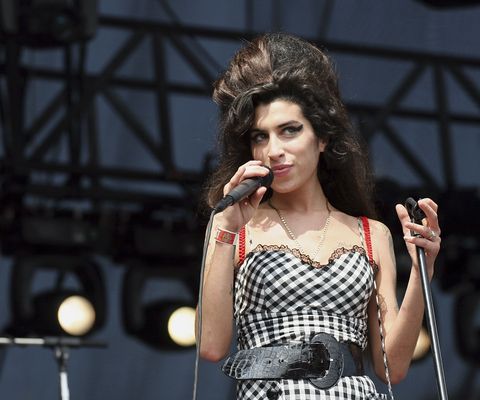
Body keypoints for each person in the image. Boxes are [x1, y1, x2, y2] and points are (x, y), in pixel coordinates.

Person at [197, 33, 441, 400]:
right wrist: (226, 231)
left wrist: (423, 272)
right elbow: (211, 345)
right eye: (260, 137)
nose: (273, 151)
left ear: (322, 137)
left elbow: (394, 366)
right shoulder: (236, 224)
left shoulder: (370, 233)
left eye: (289, 130)